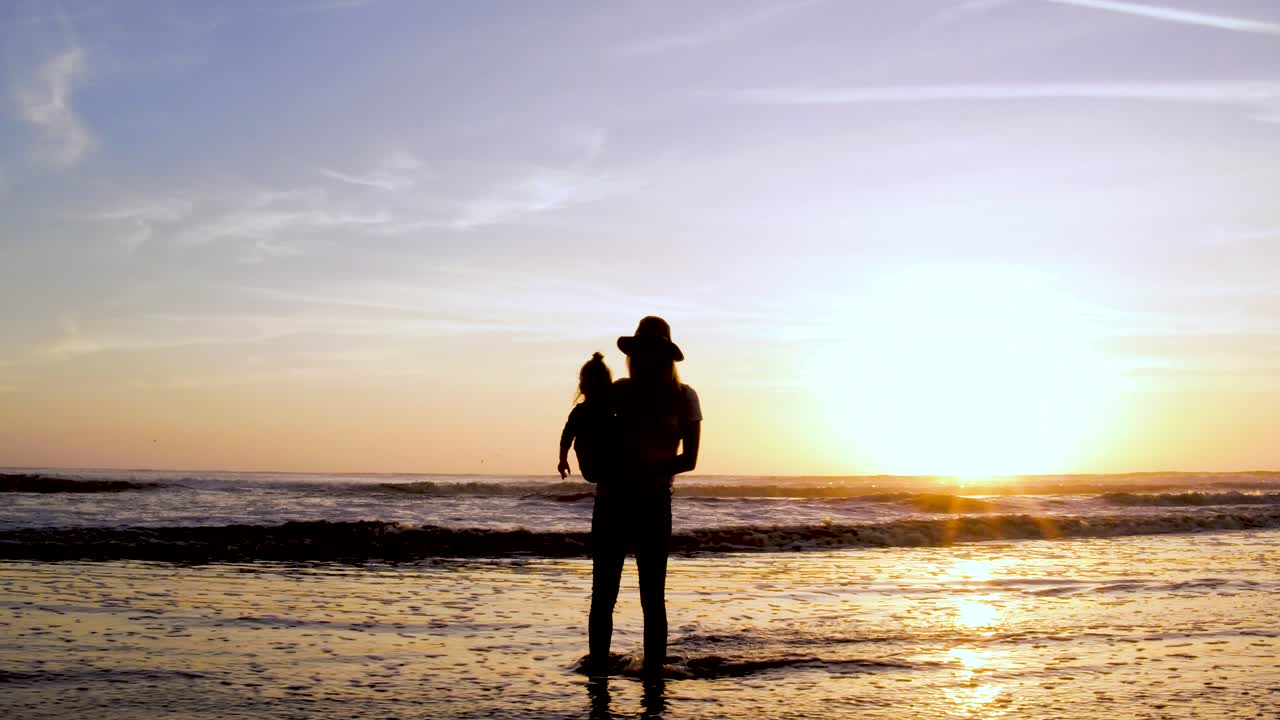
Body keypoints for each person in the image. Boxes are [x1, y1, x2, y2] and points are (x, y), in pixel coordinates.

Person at [587, 316, 701, 676]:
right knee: (604, 593)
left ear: (664, 357)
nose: (644, 359)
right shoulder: (617, 392)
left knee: (652, 597)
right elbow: (592, 433)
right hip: (612, 501)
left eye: (652, 353)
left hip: (653, 503)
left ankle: (654, 672)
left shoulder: (684, 397)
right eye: (640, 353)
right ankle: (598, 671)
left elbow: (689, 459)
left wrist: (642, 470)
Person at [558, 352, 614, 483]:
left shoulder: (580, 412)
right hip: (607, 464)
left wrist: (562, 461)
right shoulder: (614, 408)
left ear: (582, 387)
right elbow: (566, 438)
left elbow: (566, 438)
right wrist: (562, 460)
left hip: (593, 466)